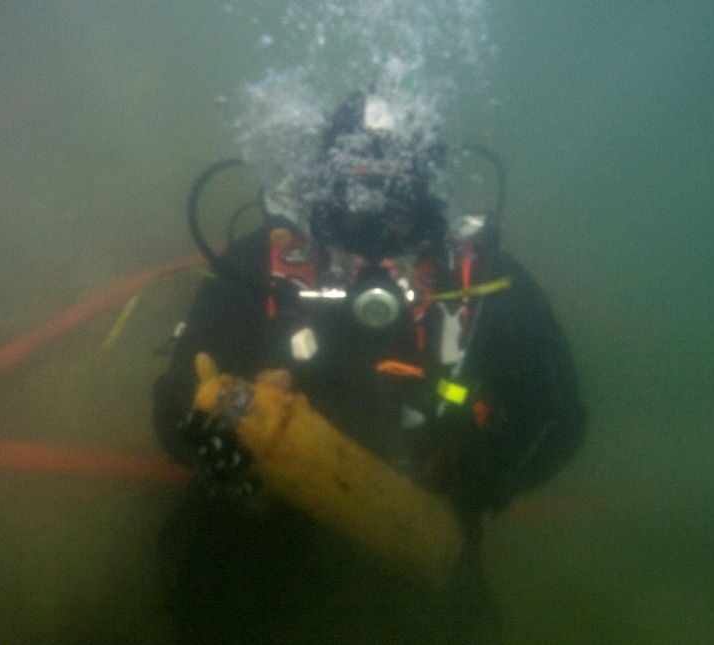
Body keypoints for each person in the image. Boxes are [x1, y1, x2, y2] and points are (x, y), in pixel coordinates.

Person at [152, 90, 586, 644]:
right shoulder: (262, 268)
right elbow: (173, 399)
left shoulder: (480, 282)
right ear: (316, 205)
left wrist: (479, 482)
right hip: (260, 528)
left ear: (433, 213)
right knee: (205, 578)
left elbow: (559, 416)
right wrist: (208, 446)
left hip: (420, 535)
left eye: (400, 224)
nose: (373, 256)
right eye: (350, 221)